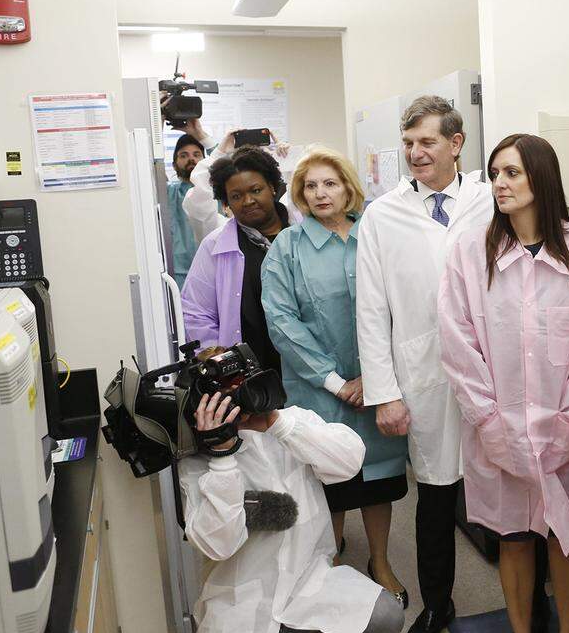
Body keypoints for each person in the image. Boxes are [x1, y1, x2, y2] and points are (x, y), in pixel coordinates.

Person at [439, 134, 569, 633]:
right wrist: (488, 419)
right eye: (494, 174)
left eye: (511, 173)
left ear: (542, 179)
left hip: (566, 428)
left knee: (566, 536)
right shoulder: (469, 250)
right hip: (498, 427)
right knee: (512, 537)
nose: (500, 185)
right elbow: (457, 341)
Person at [356, 95, 494, 633]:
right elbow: (371, 310)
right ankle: (438, 602)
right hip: (424, 372)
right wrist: (385, 393)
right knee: (436, 495)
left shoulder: (490, 198)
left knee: (506, 490)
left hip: (491, 370)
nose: (414, 153)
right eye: (408, 143)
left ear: (456, 144)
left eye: (427, 143)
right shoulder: (383, 213)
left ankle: (526, 599)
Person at [261, 146, 411, 608]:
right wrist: (335, 382)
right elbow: (282, 321)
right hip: (320, 391)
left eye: (330, 183)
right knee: (330, 480)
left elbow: (401, 306)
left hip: (378, 384)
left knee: (380, 478)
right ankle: (331, 562)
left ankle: (380, 561)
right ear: (300, 194)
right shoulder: (287, 247)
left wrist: (376, 376)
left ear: (349, 187)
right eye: (311, 185)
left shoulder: (375, 235)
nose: (321, 193)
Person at [179, 390, 404, 633]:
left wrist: (277, 423)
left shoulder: (290, 422)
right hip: (243, 607)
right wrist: (222, 457)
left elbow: (350, 460)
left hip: (308, 584)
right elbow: (219, 544)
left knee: (386, 616)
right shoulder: (195, 463)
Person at [181, 147, 290, 370]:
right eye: (236, 196)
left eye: (256, 190)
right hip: (249, 374)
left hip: (310, 368)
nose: (248, 201)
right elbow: (195, 312)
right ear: (226, 203)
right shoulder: (215, 246)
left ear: (272, 187)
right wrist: (217, 358)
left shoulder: (302, 232)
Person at [168, 131, 205, 288]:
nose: (191, 159)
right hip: (179, 272)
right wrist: (158, 120)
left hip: (211, 268)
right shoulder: (169, 192)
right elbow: (147, 172)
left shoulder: (214, 190)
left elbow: (225, 162)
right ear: (174, 164)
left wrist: (198, 132)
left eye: (197, 154)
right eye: (184, 155)